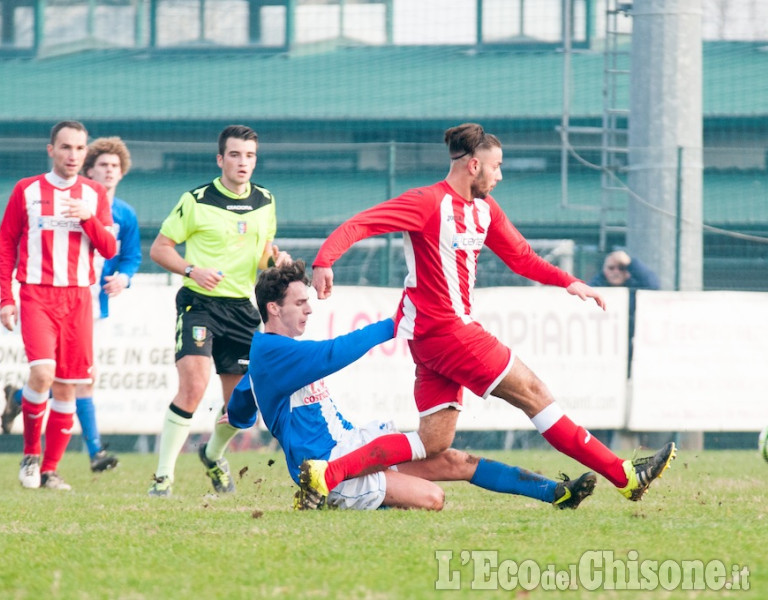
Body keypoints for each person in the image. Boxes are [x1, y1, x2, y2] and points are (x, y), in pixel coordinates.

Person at [306, 123, 676, 506]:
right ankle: (625, 475)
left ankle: (327, 473)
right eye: (496, 166)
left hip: (432, 341)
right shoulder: (428, 202)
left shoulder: (484, 209)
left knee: (434, 441)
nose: (500, 175)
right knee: (534, 394)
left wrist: (568, 281)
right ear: (473, 166)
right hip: (451, 332)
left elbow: (521, 257)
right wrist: (325, 261)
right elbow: (362, 223)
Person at [204, 260, 597, 511]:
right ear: (274, 308)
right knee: (433, 498)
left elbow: (242, 403)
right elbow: (332, 354)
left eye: (308, 301)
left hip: (351, 443)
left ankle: (554, 493)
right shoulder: (272, 351)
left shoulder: (267, 357)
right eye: (301, 303)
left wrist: (233, 417)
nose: (309, 308)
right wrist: (396, 323)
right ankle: (322, 496)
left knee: (455, 461)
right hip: (325, 463)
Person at [147, 124, 290, 497]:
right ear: (220, 159)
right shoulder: (196, 200)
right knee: (193, 387)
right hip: (200, 304)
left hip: (242, 310)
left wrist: (275, 260)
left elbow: (262, 257)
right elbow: (160, 249)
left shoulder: (265, 201)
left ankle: (212, 456)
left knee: (243, 407)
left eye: (250, 155)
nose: (243, 162)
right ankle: (163, 477)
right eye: (235, 155)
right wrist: (194, 270)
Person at [2, 137, 142, 474]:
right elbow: (7, 242)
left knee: (75, 382)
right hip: (41, 294)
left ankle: (51, 458)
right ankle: (60, 453)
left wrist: (124, 277)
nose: (110, 172)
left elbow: (124, 254)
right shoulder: (29, 191)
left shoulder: (117, 209)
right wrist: (6, 298)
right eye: (104, 165)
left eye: (115, 166)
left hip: (89, 302)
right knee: (46, 374)